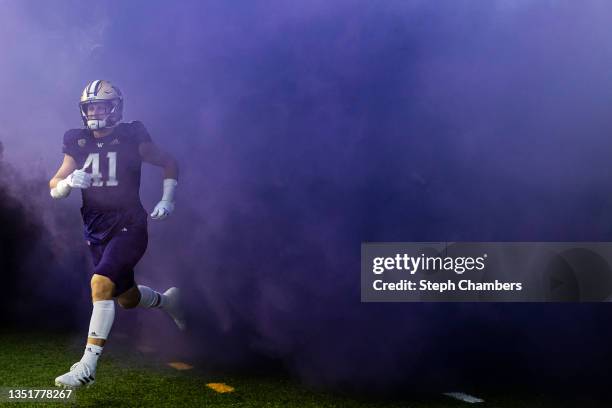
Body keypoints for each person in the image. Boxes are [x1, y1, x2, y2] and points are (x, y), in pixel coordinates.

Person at [49, 80, 185, 388]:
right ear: (84, 111)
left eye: (101, 105)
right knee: (126, 298)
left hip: (129, 225)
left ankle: (87, 367)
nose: (96, 112)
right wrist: (68, 183)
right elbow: (54, 184)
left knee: (100, 284)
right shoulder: (77, 141)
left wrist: (167, 198)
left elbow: (168, 162)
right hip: (95, 229)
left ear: (115, 108)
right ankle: (167, 302)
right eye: (91, 107)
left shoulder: (131, 135)